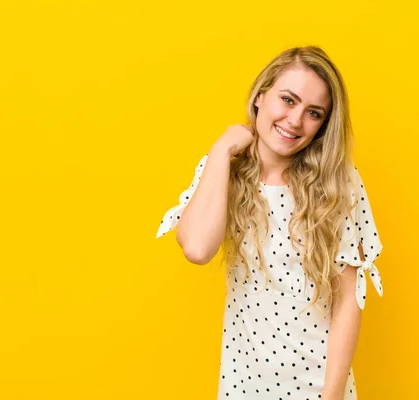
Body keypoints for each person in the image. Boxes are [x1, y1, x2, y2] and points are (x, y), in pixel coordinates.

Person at [156, 46, 383, 400]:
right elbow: (197, 248)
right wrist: (221, 151)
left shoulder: (339, 184)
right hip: (243, 385)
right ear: (261, 96)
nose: (295, 120)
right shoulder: (222, 170)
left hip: (319, 388)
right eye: (288, 100)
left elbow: (348, 300)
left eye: (313, 113)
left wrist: (333, 395)